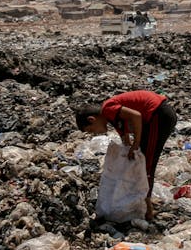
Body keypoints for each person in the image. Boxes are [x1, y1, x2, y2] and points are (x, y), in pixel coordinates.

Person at [75, 90, 177, 221]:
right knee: (143, 161)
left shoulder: (107, 109)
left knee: (147, 163)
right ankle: (145, 204)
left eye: (91, 130)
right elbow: (124, 136)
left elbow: (136, 116)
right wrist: (127, 150)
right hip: (156, 116)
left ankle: (148, 209)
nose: (94, 133)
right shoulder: (112, 116)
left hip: (159, 115)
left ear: (92, 119)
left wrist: (136, 143)